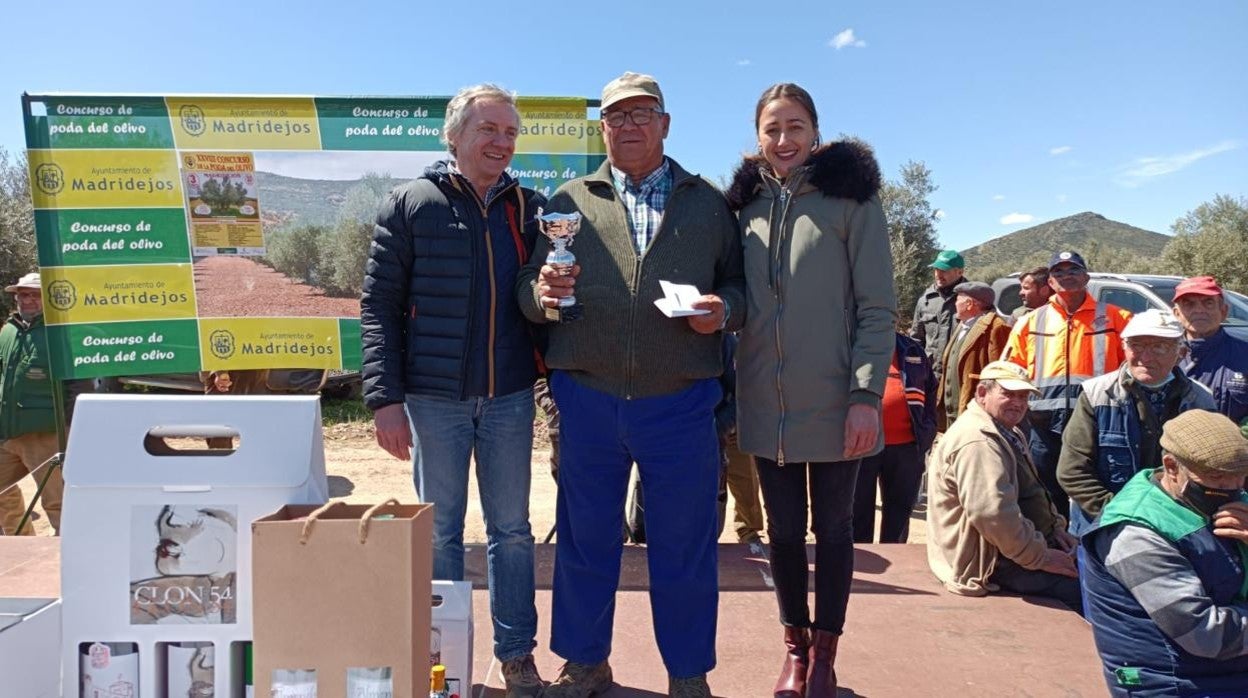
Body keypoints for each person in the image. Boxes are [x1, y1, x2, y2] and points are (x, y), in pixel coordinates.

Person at [516, 72, 744, 698]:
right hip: (587, 395)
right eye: (617, 116)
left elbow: (741, 287)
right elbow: (528, 289)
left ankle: (688, 672)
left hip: (681, 399)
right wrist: (540, 296)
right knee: (586, 540)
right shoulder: (565, 201)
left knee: (685, 545)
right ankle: (585, 662)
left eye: (643, 113)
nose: (630, 124)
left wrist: (724, 309)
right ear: (604, 129)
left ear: (666, 124)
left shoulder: (707, 202)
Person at [360, 84, 547, 697]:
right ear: (455, 135)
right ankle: (442, 657)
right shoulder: (412, 203)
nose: (501, 142)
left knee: (512, 531)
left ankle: (517, 655)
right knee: (439, 531)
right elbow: (379, 308)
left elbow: (542, 302)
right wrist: (384, 398)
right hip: (431, 400)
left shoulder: (531, 208)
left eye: (510, 132)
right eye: (489, 129)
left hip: (510, 397)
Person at [725, 82, 895, 698]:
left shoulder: (852, 202)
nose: (784, 140)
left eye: (795, 127)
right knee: (784, 532)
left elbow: (878, 310)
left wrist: (865, 397)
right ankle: (794, 649)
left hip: (836, 401)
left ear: (815, 132)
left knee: (835, 529)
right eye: (772, 129)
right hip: (765, 403)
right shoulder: (743, 208)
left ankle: (826, 655)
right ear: (758, 138)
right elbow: (740, 300)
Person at [1080, 410, 1248, 696]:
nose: (1233, 490)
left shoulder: (1215, 502)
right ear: (1171, 467)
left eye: (1240, 479)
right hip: (1172, 682)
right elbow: (1205, 633)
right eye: (1218, 480)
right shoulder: (1135, 533)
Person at [926, 361, 1082, 612]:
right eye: (1008, 394)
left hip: (1013, 550)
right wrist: (1040, 557)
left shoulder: (1005, 430)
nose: (1018, 403)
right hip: (991, 563)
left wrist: (1055, 529)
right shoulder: (977, 440)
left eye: (1023, 396)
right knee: (1088, 591)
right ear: (982, 393)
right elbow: (992, 514)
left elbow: (1032, 489)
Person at [1057, 310, 1216, 533]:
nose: (1146, 356)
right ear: (1124, 348)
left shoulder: (1201, 399)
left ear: (1180, 353)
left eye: (1159, 346)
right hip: (1105, 523)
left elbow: (1213, 469)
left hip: (1179, 525)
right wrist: (1122, 514)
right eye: (1137, 346)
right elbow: (1072, 470)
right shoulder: (1097, 394)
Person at [1002, 250, 1133, 516]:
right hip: (1043, 424)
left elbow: (1134, 368)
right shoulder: (1030, 321)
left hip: (1099, 419)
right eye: (1058, 272)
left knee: (1097, 487)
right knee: (1045, 492)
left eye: (1073, 270)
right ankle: (1055, 547)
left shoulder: (1117, 318)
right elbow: (1010, 370)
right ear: (1049, 282)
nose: (1066, 277)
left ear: (1086, 277)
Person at [852, 331, 937, 544]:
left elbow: (931, 389)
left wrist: (928, 429)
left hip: (906, 448)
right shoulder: (852, 345)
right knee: (857, 512)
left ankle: (895, 562)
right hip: (861, 446)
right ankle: (859, 564)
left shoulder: (911, 349)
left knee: (899, 515)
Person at [0, 272, 64, 536]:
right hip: (8, 432)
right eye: (22, 294)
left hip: (46, 434)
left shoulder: (60, 334)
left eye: (34, 295)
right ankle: (21, 542)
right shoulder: (8, 331)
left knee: (58, 504)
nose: (26, 300)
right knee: (2, 493)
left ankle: (66, 558)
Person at [1172, 275, 1248, 427]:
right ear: (1176, 314)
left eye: (1208, 303)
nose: (1199, 310)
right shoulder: (1160, 356)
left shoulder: (1244, 355)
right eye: (1189, 304)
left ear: (1224, 311)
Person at [935, 281, 1011, 431]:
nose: (955, 303)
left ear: (970, 304)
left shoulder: (996, 327)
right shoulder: (962, 325)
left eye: (958, 299)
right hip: (953, 412)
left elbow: (999, 373)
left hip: (974, 411)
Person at [911, 249, 970, 374]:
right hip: (930, 374)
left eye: (944, 271)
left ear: (960, 272)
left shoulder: (972, 298)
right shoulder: (925, 300)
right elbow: (916, 340)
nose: (938, 274)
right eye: (936, 269)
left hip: (959, 374)